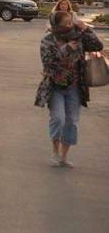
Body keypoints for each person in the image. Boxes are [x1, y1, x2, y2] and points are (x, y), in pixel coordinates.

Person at [35, 10, 104, 168]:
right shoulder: (48, 40)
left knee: (72, 122)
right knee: (58, 119)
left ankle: (64, 157)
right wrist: (66, 49)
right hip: (55, 86)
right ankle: (55, 150)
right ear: (56, 25)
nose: (69, 25)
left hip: (75, 86)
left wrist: (86, 29)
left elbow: (98, 45)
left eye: (70, 22)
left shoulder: (78, 35)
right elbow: (47, 62)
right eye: (65, 23)